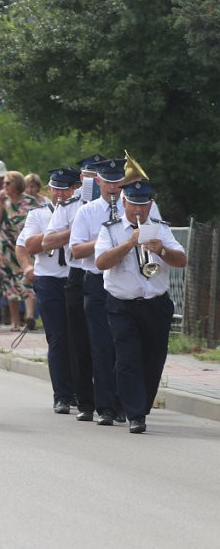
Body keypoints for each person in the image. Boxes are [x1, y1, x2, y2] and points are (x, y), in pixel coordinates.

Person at [94, 180, 186, 434]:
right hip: (122, 304)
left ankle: (139, 407)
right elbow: (101, 262)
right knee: (128, 359)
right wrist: (128, 243)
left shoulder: (161, 229)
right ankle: (135, 415)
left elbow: (182, 260)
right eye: (133, 205)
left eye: (143, 205)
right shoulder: (110, 230)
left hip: (156, 305)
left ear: (150, 205)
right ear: (124, 203)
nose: (138, 211)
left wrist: (163, 251)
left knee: (153, 360)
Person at [42, 154, 112, 422]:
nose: (92, 180)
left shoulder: (121, 204)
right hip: (81, 274)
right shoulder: (73, 206)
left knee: (109, 342)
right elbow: (49, 241)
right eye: (88, 175)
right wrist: (79, 233)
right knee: (78, 341)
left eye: (97, 176)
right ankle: (83, 400)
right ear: (81, 178)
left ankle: (112, 400)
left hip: (113, 276)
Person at [16, 167, 81, 414]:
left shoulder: (82, 212)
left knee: (79, 338)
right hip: (49, 279)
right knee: (57, 338)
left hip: (76, 278)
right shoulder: (38, 214)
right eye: (55, 188)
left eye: (65, 188)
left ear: (75, 189)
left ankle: (80, 390)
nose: (59, 193)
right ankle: (62, 395)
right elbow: (28, 245)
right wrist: (26, 266)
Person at [0, 170, 39, 331]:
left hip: (25, 247)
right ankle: (16, 322)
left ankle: (30, 317)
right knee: (9, 283)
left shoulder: (31, 202)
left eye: (7, 183)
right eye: (3, 183)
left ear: (17, 184)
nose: (4, 186)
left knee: (28, 279)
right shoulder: (3, 202)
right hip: (6, 250)